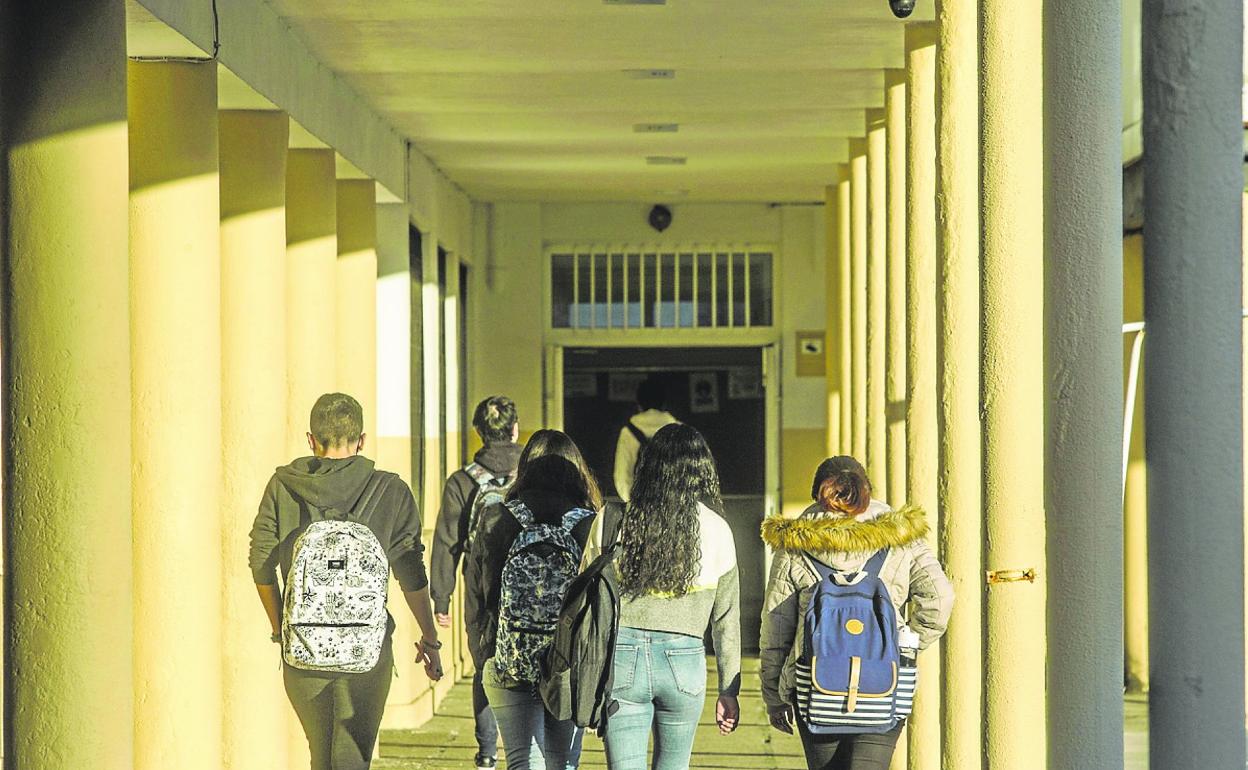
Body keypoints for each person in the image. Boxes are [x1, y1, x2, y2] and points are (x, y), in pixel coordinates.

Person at [249, 393, 443, 770]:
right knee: (354, 755)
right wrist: (430, 639)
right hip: (367, 651)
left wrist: (280, 629)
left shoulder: (282, 485)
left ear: (311, 440)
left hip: (304, 651)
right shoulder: (391, 490)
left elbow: (261, 563)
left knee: (321, 755)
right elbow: (411, 572)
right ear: (362, 440)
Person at [759, 456, 954, 770]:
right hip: (884, 679)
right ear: (868, 490)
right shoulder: (902, 537)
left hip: (814, 681)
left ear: (815, 494)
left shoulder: (794, 544)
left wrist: (774, 695)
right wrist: (904, 644)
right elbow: (940, 598)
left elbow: (776, 625)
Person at [586, 423, 742, 770]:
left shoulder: (611, 521)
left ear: (647, 466)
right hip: (684, 662)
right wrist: (729, 689)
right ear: (702, 471)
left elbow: (590, 599)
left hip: (621, 657)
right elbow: (726, 621)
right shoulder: (718, 528)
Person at [465, 430, 602, 770]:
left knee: (521, 761)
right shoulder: (589, 524)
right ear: (577, 470)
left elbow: (475, 595)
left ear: (524, 468)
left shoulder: (496, 517)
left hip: (507, 658)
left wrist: (482, 655)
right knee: (563, 762)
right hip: (568, 664)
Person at [431, 395, 523, 769]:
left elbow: (446, 541)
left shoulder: (463, 481)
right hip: (529, 585)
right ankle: (527, 750)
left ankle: (487, 753)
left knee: (486, 665)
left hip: (480, 585)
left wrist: (441, 598)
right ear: (515, 429)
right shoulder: (536, 474)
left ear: (478, 433)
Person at [612, 376, 679, 502]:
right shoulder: (680, 429)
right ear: (664, 403)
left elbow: (621, 476)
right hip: (676, 505)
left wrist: (632, 503)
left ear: (639, 404)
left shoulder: (629, 432)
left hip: (640, 504)